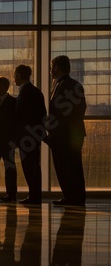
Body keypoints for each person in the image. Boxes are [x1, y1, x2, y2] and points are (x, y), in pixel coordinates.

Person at [47, 55, 87, 206]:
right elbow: (80, 109)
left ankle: (72, 197)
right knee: (73, 166)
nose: (51, 71)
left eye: (52, 67)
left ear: (56, 68)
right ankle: (74, 197)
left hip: (63, 135)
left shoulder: (62, 85)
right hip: (72, 134)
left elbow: (59, 113)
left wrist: (53, 130)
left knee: (65, 166)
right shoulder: (73, 84)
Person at [14, 64, 46, 205]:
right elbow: (41, 114)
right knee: (32, 166)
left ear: (19, 75)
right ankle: (34, 195)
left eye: (15, 74)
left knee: (30, 167)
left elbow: (24, 116)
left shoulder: (25, 92)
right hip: (33, 135)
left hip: (27, 137)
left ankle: (34, 196)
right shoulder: (35, 91)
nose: (14, 78)